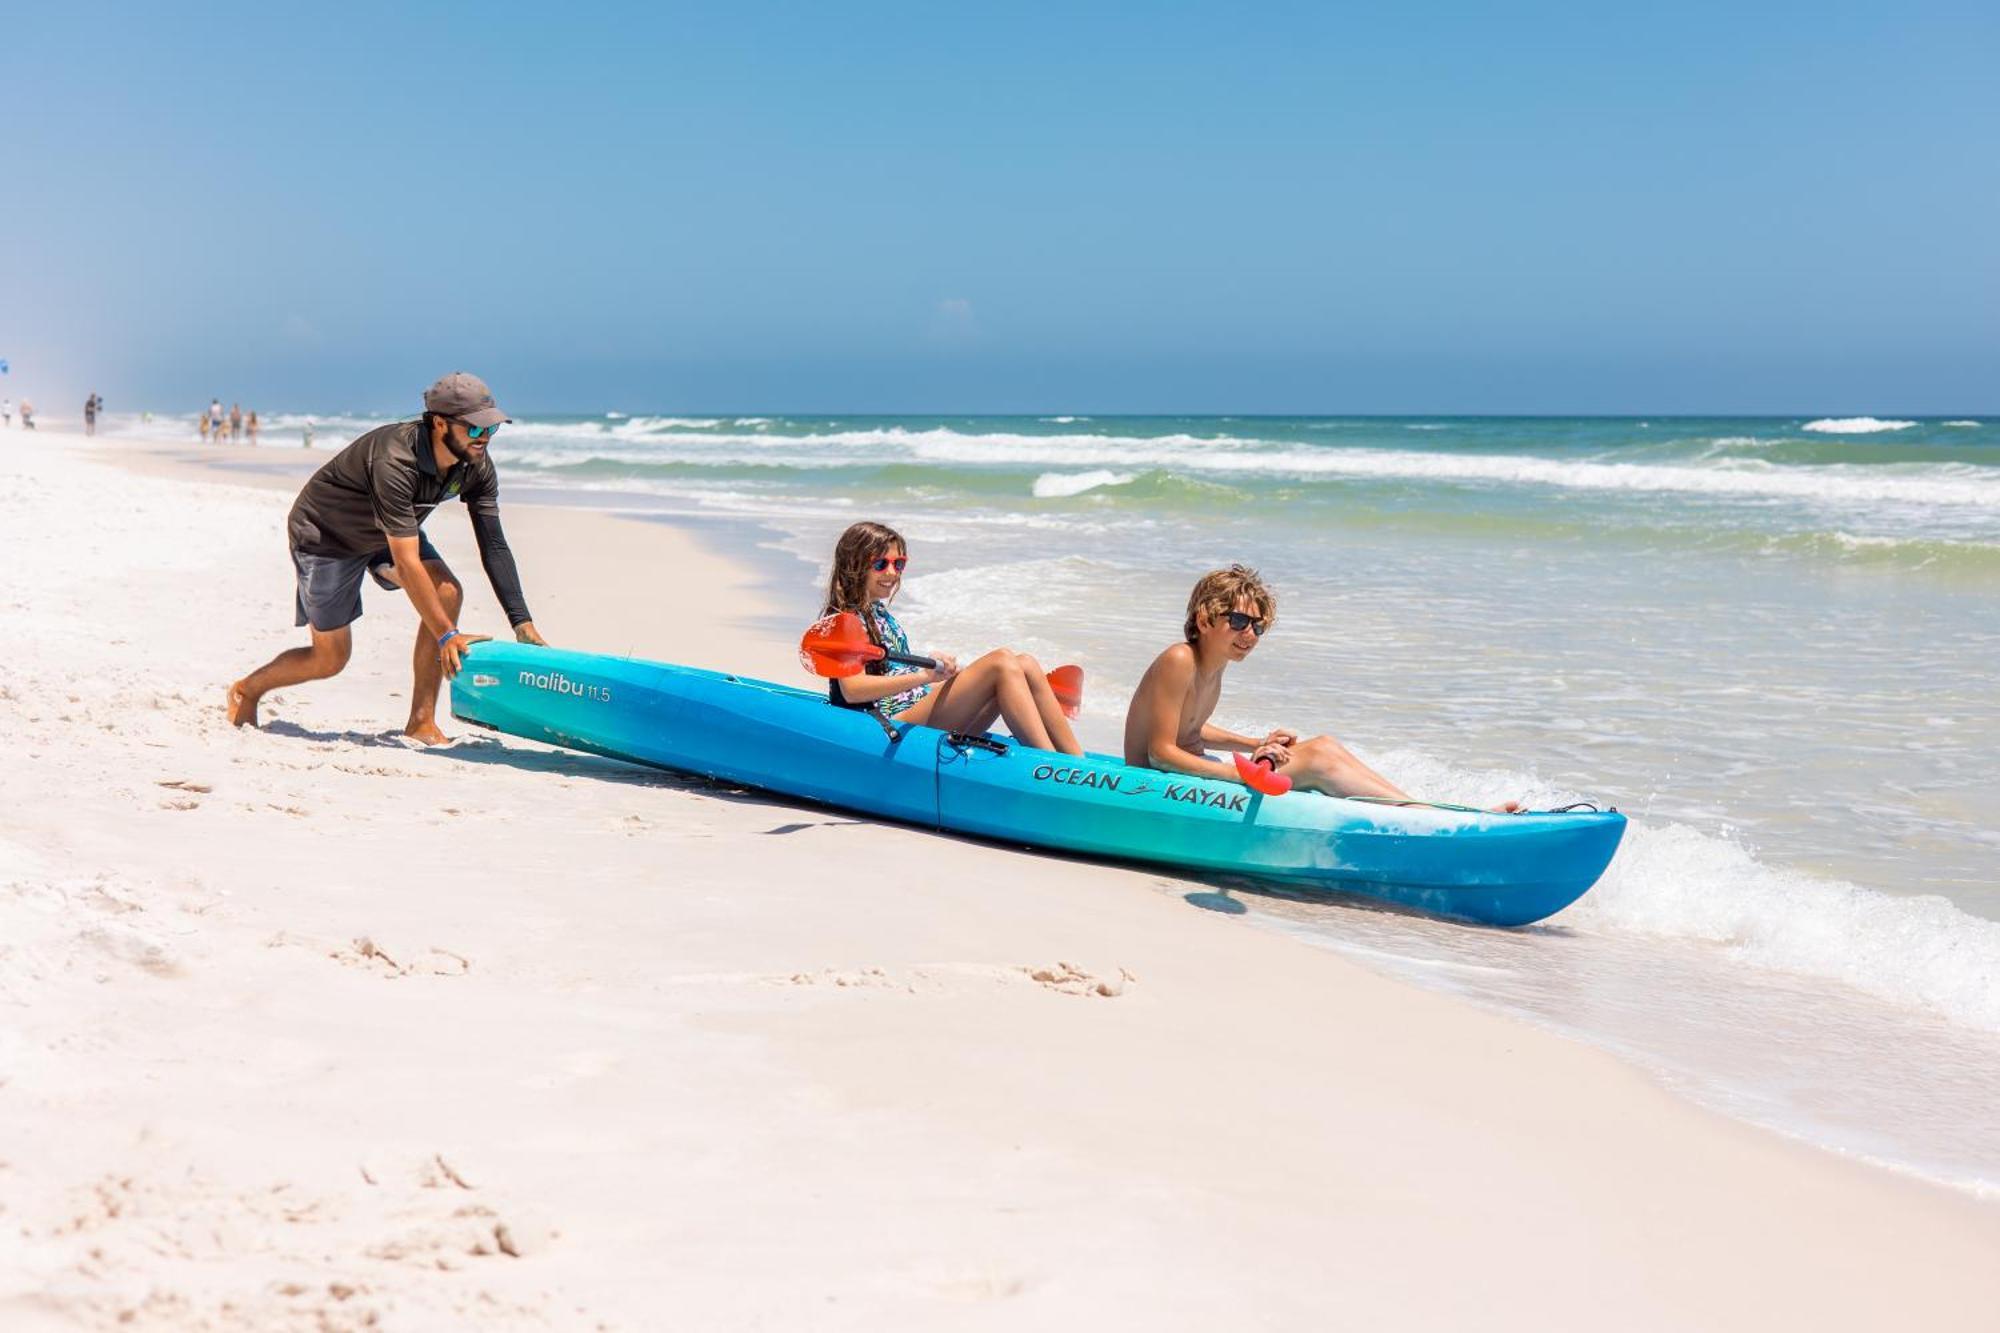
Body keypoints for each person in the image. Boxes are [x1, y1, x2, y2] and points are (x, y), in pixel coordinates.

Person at [227, 371, 549, 743]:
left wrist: (521, 621)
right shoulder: (396, 458)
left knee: (447, 591)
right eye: (475, 430)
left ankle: (421, 721)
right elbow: (407, 563)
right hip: (326, 536)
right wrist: (447, 635)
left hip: (389, 531)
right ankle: (247, 689)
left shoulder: (475, 464)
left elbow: (493, 543)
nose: (485, 439)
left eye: (491, 429)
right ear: (440, 423)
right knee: (330, 659)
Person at [1123, 565, 1523, 809]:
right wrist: (1240, 776)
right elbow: (1160, 753)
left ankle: (1421, 811)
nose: (1250, 635)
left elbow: (1188, 727)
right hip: (1157, 787)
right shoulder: (1181, 659)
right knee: (1319, 756)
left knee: (1319, 748)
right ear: (1206, 618)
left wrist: (1254, 745)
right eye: (1240, 622)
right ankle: (1426, 817)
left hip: (1193, 776)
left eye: (1259, 627)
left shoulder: (1212, 666)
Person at [818, 521, 1082, 755]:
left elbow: (896, 678)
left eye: (898, 564)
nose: (891, 572)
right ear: (854, 565)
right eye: (880, 564)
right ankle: (1050, 764)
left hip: (915, 710)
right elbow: (852, 691)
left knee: (1024, 662)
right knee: (1001, 662)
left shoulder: (880, 615)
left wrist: (944, 680)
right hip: (888, 723)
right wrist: (924, 676)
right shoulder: (845, 621)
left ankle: (1074, 760)